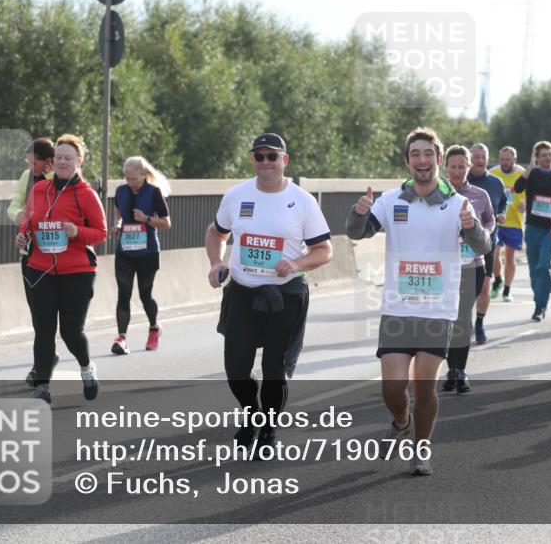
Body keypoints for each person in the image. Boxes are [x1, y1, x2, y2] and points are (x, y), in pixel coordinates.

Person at [346, 127, 490, 476]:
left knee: (424, 385)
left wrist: (470, 226)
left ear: (438, 159)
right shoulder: (390, 199)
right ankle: (401, 419)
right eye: (415, 155)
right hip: (398, 306)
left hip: (438, 308)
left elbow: (483, 246)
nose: (422, 161)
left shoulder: (457, 203)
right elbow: (355, 232)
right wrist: (359, 211)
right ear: (408, 161)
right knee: (392, 388)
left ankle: (421, 450)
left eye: (428, 154)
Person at [207, 133, 332, 452]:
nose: (265, 163)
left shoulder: (303, 201)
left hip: (284, 296)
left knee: (274, 370)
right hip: (243, 294)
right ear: (253, 160)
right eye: (259, 156)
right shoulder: (236, 196)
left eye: (272, 157)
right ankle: (252, 415)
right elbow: (216, 232)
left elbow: (324, 250)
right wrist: (215, 262)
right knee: (235, 369)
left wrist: (296, 262)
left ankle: (268, 429)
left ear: (284, 161)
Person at [16, 134, 107, 404]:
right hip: (39, 269)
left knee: (70, 331)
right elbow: (28, 221)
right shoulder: (39, 190)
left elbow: (101, 233)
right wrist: (22, 235)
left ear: (78, 162)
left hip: (77, 273)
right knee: (43, 330)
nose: (63, 162)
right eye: (59, 157)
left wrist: (77, 231)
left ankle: (87, 368)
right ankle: (42, 386)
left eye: (69, 158)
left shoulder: (86, 194)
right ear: (52, 162)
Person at [7, 138, 58, 386]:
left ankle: (43, 363)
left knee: (50, 316)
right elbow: (14, 205)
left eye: (35, 162)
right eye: (29, 162)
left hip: (55, 258)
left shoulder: (62, 177)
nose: (32, 167)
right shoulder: (27, 177)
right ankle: (45, 360)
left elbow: (60, 208)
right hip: (29, 254)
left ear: (49, 161)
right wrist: (17, 215)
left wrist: (50, 178)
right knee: (37, 314)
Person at [445, 145, 495, 391]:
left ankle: (459, 370)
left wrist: (482, 234)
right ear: (445, 168)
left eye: (461, 167)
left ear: (469, 168)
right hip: (443, 267)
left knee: (463, 317)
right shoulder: (436, 194)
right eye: (452, 167)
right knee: (447, 319)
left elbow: (490, 219)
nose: (457, 171)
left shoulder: (479, 194)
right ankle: (450, 369)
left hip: (472, 265)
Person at [112, 157, 172, 354]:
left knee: (145, 295)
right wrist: (116, 225)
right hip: (125, 251)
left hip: (147, 252)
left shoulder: (154, 193)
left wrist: (146, 219)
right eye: (127, 178)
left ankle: (154, 328)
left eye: (134, 179)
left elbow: (166, 223)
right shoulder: (120, 191)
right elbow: (118, 212)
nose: (130, 183)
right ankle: (122, 338)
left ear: (143, 175)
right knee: (123, 294)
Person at [514, 141, 551, 321]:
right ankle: (538, 298)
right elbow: (518, 188)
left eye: (550, 154)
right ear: (537, 157)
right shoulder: (533, 174)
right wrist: (530, 167)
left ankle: (540, 306)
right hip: (532, 227)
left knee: (543, 265)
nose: (548, 158)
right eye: (544, 155)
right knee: (533, 270)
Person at [466, 143, 506, 344]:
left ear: (488, 159)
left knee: (484, 285)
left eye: (483, 157)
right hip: (461, 244)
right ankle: (463, 320)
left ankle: (479, 323)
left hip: (488, 241)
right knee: (462, 286)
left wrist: (501, 214)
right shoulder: (461, 180)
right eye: (476, 156)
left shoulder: (496, 182)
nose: (480, 160)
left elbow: (503, 202)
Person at [489, 146, 524, 303]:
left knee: (510, 258)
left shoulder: (522, 174)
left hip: (515, 222)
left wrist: (525, 203)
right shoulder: (494, 173)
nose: (504, 162)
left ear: (514, 160)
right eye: (502, 159)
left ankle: (507, 290)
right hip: (497, 220)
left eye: (507, 160)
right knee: (494, 254)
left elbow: (530, 193)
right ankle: (497, 279)